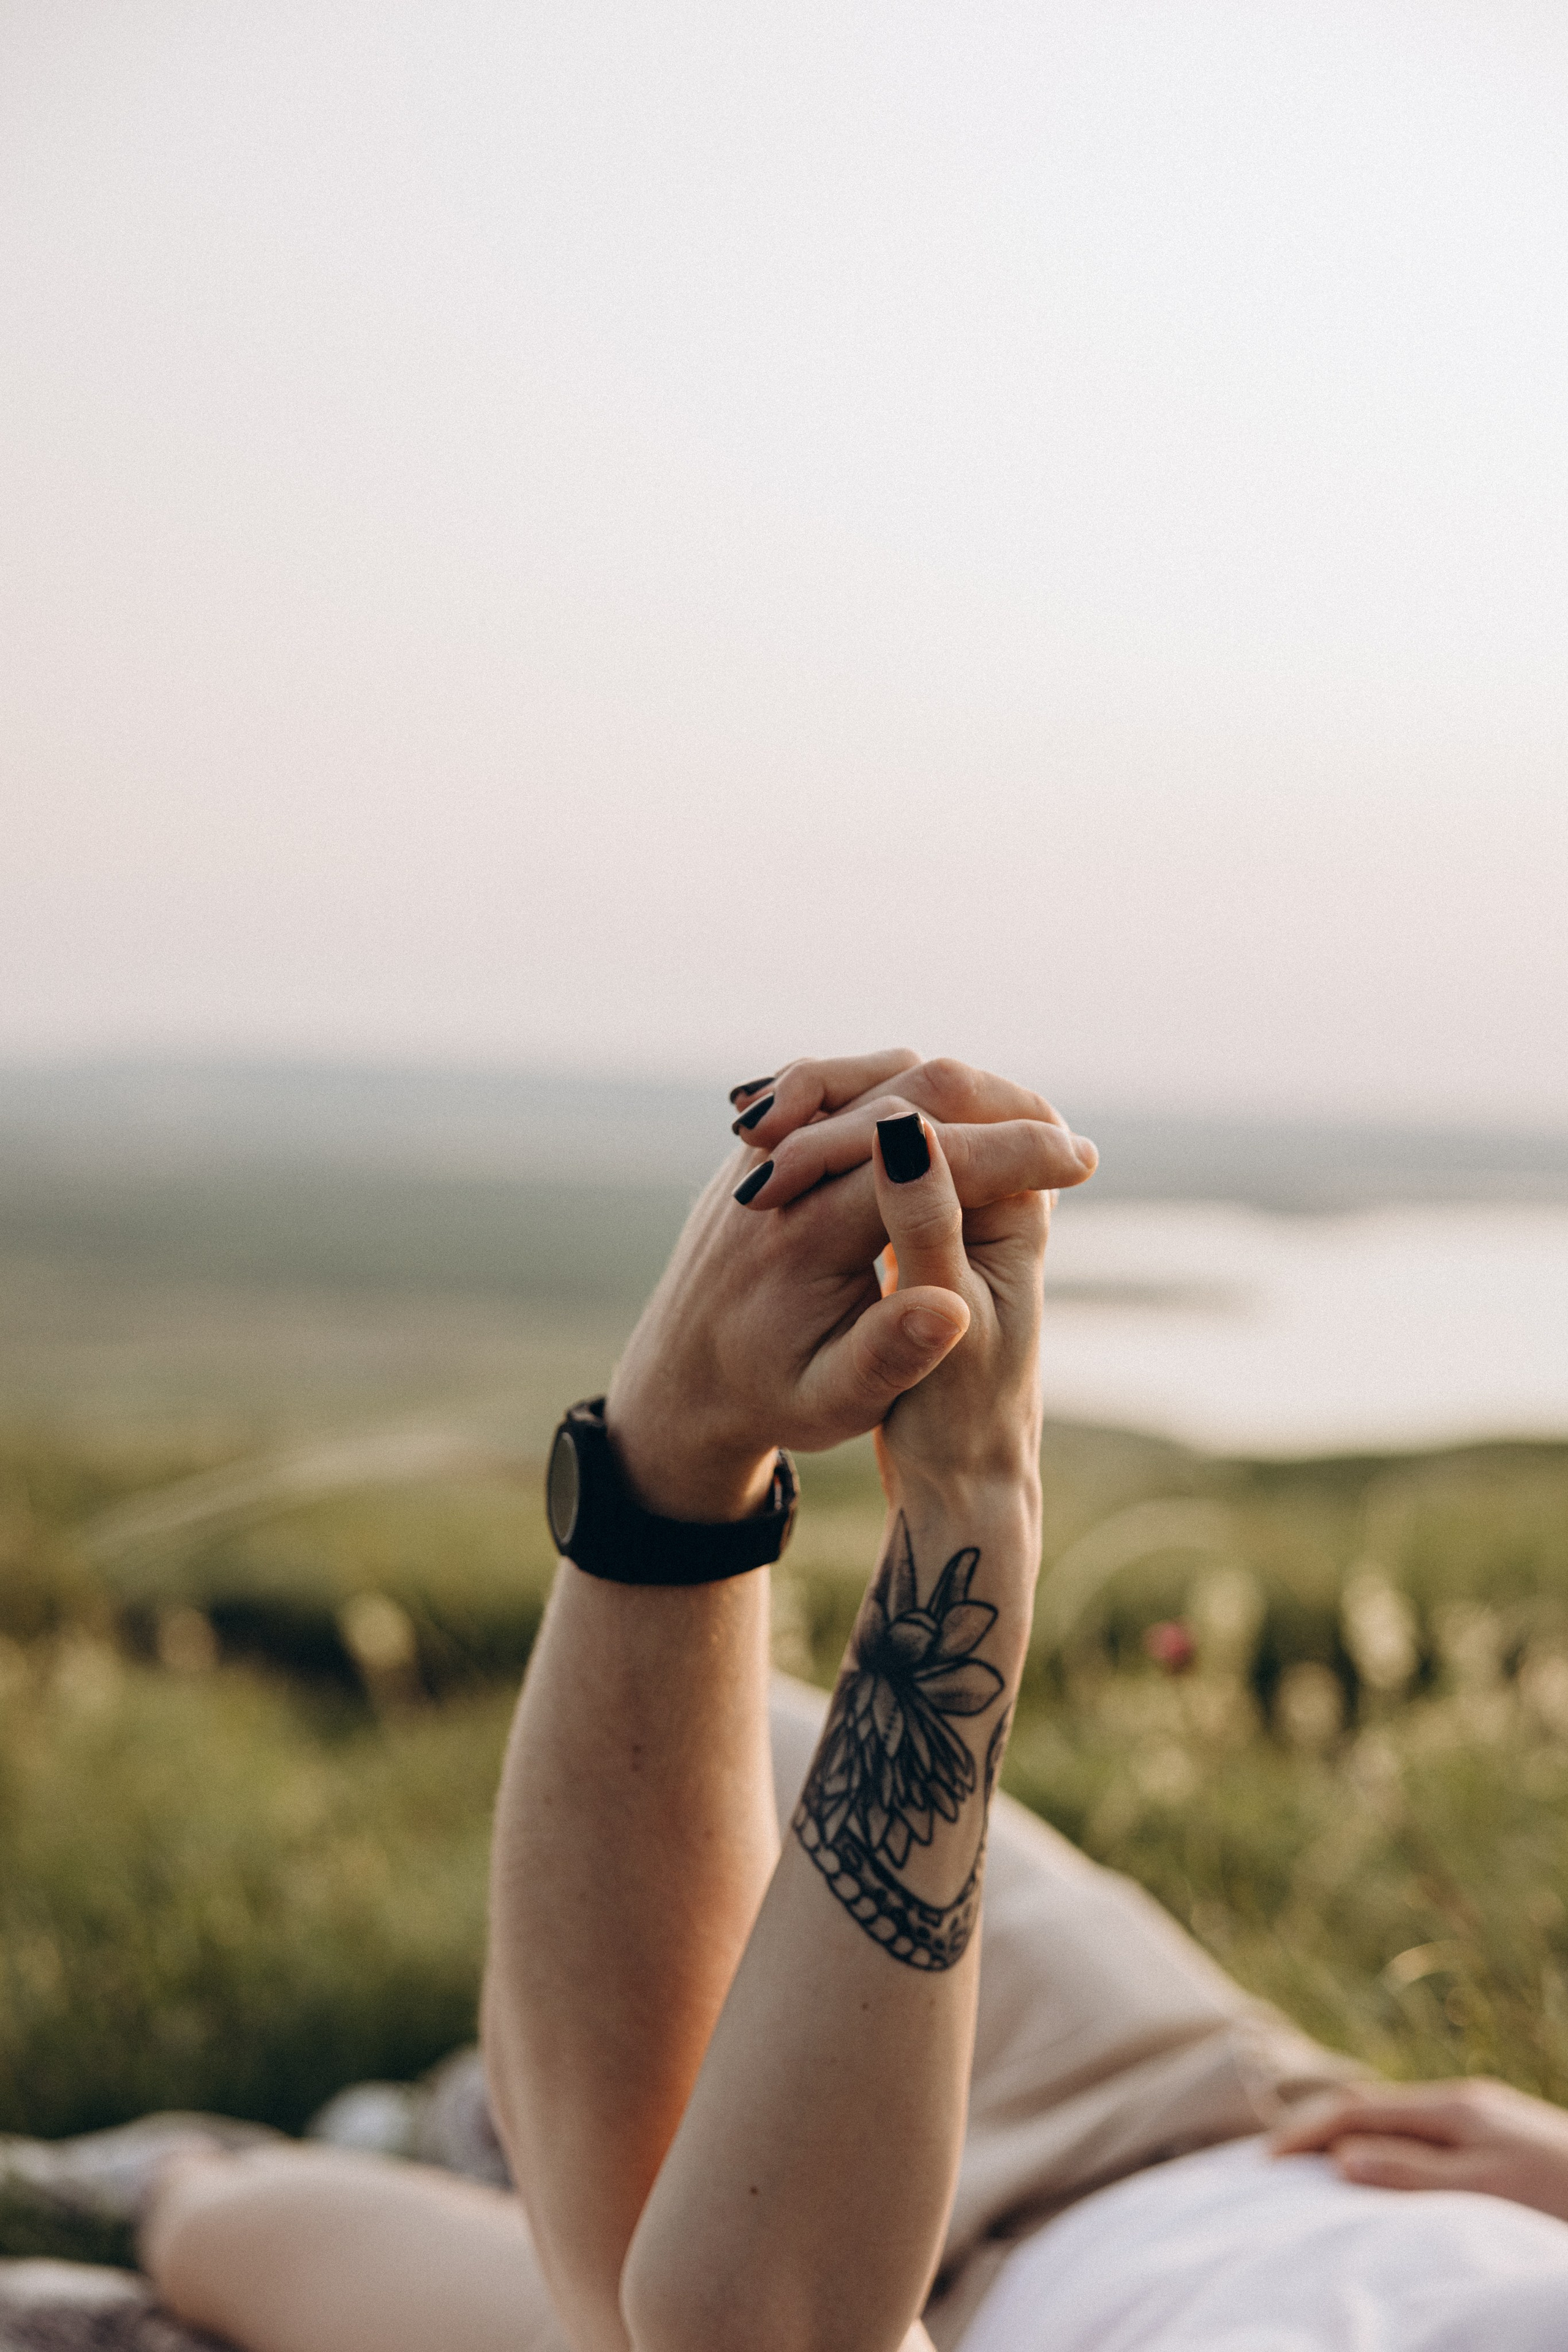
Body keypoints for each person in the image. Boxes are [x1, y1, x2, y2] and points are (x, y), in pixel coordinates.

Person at [9, 1050, 1568, 2352]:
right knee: (728, 1743)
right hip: (1246, 2115)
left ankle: (169, 2189)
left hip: (910, 2301)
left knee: (625, 2295)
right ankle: (454, 2126)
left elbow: (755, 2314)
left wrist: (728, 1483)